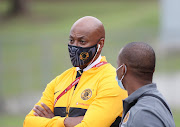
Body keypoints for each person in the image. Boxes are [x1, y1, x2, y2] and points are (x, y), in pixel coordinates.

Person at [23, 16, 127, 127]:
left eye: (82, 42)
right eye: (71, 40)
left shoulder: (113, 81)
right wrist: (64, 122)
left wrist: (50, 121)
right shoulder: (59, 80)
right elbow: (28, 122)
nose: (74, 47)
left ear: (100, 44)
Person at [116, 42, 175, 127]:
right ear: (153, 70)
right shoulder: (155, 101)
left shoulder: (142, 114)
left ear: (123, 70)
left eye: (118, 65)